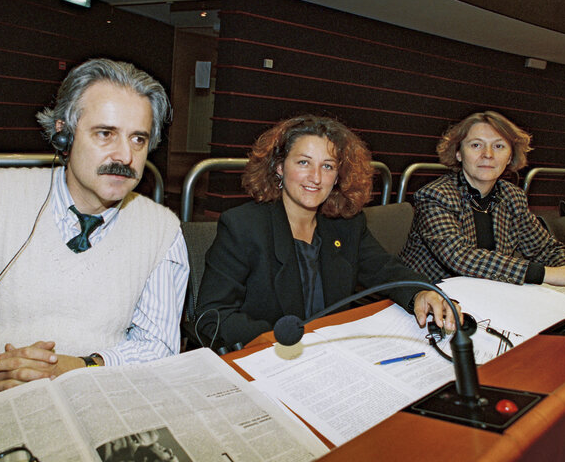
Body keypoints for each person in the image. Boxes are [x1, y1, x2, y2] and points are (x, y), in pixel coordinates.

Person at [0, 59, 189, 412]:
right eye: (105, 133)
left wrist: (81, 368)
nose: (125, 156)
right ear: (64, 134)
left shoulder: (162, 231)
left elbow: (157, 348)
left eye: (138, 139)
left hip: (92, 410)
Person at [195, 115, 460, 347]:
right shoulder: (242, 226)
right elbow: (212, 315)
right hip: (272, 356)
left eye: (328, 166)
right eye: (303, 163)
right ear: (279, 167)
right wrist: (275, 341)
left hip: (332, 355)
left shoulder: (346, 224)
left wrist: (421, 292)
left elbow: (386, 270)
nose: (316, 178)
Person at [400, 110, 565, 290]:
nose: (488, 154)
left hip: (488, 292)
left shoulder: (512, 196)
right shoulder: (435, 195)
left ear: (511, 156)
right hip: (427, 293)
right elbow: (460, 257)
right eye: (476, 145)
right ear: (458, 153)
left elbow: (544, 249)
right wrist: (549, 274)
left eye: (499, 146)